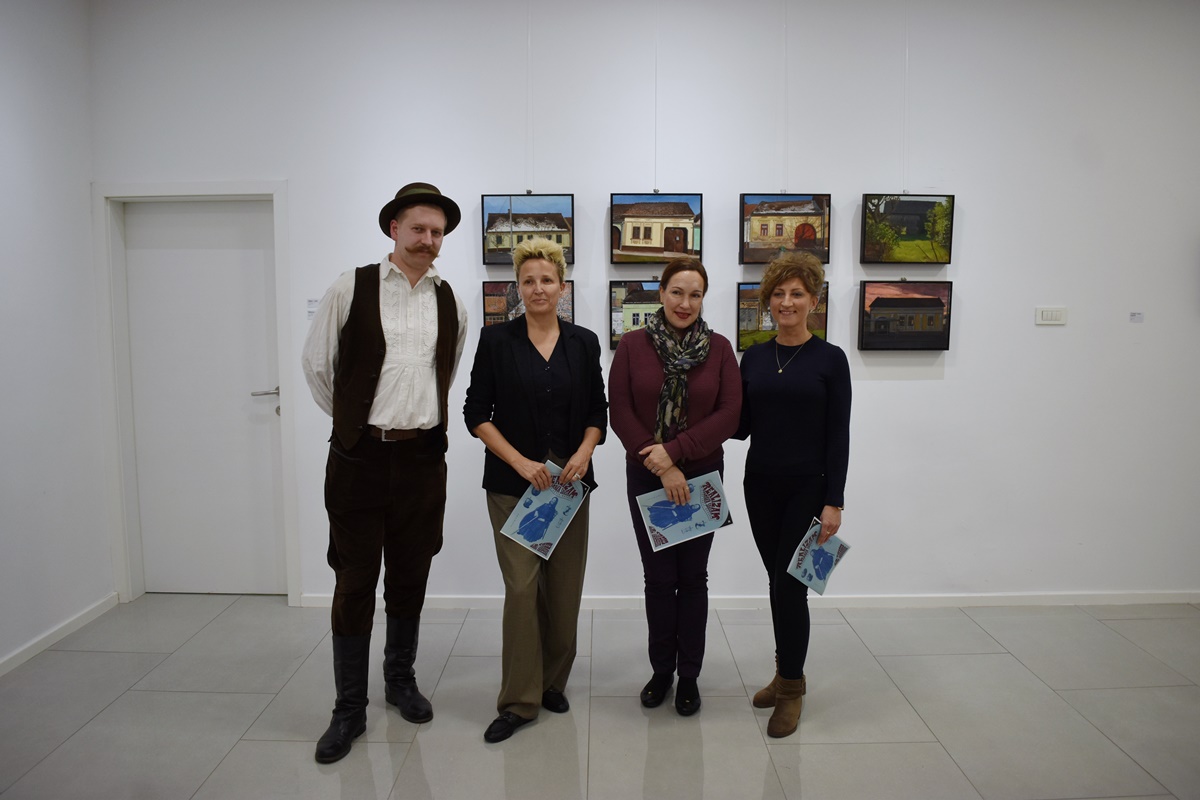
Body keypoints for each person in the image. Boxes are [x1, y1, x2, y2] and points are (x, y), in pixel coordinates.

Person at [301, 183, 469, 763]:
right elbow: (318, 367)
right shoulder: (350, 287)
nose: (428, 240)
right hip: (360, 459)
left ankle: (400, 681)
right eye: (418, 228)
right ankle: (349, 707)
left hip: (422, 459)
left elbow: (444, 373)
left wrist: (410, 422)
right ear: (394, 229)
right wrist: (357, 425)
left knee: (410, 573)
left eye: (437, 232)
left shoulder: (451, 301)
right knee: (353, 581)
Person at [463, 237, 608, 743]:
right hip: (512, 486)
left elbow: (597, 410)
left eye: (547, 280)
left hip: (568, 487)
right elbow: (475, 413)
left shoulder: (584, 343)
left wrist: (585, 452)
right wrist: (521, 462)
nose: (538, 288)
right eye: (529, 281)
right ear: (517, 288)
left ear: (563, 287)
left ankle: (551, 682)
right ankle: (518, 702)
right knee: (523, 590)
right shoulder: (495, 341)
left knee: (564, 593)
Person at [608, 256, 741, 717]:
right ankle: (662, 670)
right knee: (660, 579)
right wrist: (661, 463)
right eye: (677, 292)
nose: (685, 303)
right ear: (661, 292)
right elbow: (620, 409)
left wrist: (677, 452)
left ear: (703, 298)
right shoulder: (632, 345)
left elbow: (729, 413)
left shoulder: (719, 348)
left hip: (702, 476)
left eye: (695, 294)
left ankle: (689, 676)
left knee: (693, 578)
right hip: (647, 475)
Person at [734, 251, 850, 738]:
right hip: (759, 485)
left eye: (797, 293)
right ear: (768, 302)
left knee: (790, 587)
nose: (787, 302)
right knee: (776, 582)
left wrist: (834, 501)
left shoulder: (831, 359)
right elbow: (740, 426)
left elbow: (838, 434)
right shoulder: (755, 356)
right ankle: (784, 675)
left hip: (809, 488)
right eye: (778, 294)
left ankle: (791, 689)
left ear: (813, 301)